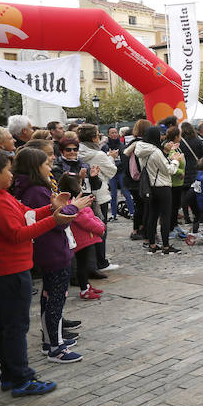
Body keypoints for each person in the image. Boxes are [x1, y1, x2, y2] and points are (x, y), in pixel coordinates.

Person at [0, 152, 90, 395]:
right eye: (7, 170)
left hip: (13, 268)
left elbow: (27, 214)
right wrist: (56, 218)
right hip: (9, 270)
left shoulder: (4, 195)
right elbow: (18, 233)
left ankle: (10, 374)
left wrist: (50, 208)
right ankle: (21, 378)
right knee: (15, 327)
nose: (11, 174)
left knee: (8, 325)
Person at [77, 124, 119, 274]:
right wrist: (111, 159)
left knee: (88, 230)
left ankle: (92, 262)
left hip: (83, 195)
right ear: (94, 137)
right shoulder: (98, 154)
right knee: (101, 228)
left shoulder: (78, 151)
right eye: (97, 135)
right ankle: (101, 262)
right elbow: (112, 171)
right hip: (99, 194)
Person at [135, 126, 184, 254]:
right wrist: (175, 161)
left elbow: (155, 166)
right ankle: (166, 247)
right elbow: (168, 170)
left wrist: (166, 153)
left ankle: (152, 244)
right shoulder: (155, 151)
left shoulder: (141, 150)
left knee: (152, 216)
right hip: (162, 187)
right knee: (165, 217)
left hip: (150, 187)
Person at [58, 173, 105, 301]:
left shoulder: (68, 202)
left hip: (83, 238)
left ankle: (87, 286)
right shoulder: (74, 204)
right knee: (82, 265)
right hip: (83, 239)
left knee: (83, 264)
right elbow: (86, 220)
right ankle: (84, 289)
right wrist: (100, 227)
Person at [123, 119, 151, 241]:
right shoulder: (143, 145)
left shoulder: (130, 144)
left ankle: (137, 229)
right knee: (144, 206)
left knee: (139, 206)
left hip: (130, 181)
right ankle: (141, 229)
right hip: (140, 180)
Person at [179, 122, 203, 232]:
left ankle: (186, 217)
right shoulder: (197, 141)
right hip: (197, 170)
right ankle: (198, 215)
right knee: (197, 193)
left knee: (185, 194)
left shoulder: (180, 143)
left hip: (184, 170)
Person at [103, 127, 133, 221]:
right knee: (113, 194)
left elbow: (125, 160)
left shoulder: (122, 145)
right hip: (111, 173)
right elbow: (103, 159)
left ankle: (132, 212)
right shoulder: (105, 146)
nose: (114, 134)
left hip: (121, 172)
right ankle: (113, 215)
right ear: (108, 134)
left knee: (126, 192)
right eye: (112, 133)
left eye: (115, 132)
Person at [163, 126, 187, 239]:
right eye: (180, 135)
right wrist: (181, 171)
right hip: (174, 182)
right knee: (172, 208)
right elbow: (170, 166)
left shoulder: (177, 147)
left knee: (176, 207)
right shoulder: (170, 148)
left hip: (178, 183)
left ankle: (174, 225)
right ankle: (170, 229)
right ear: (176, 136)